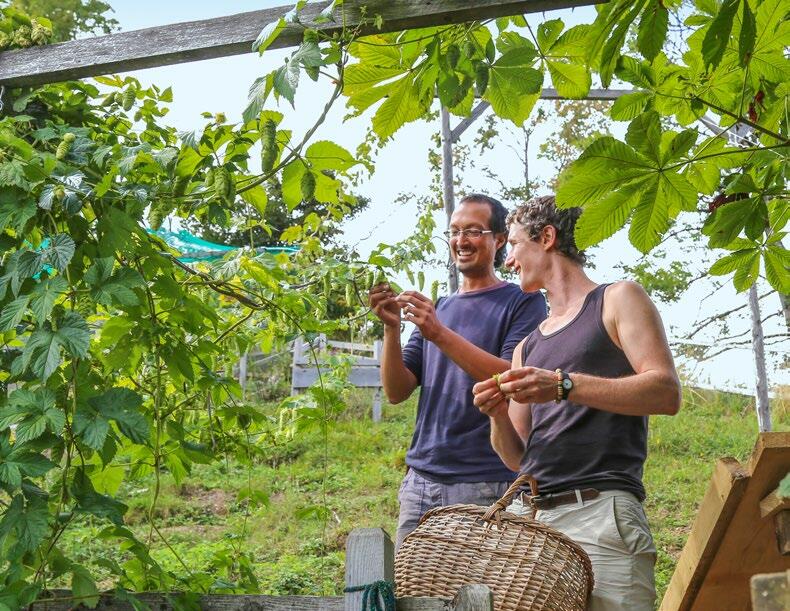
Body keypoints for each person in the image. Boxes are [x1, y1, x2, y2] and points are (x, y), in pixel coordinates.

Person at [472, 195, 681, 611]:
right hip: (533, 523)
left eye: (514, 244)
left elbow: (665, 392)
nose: (508, 260)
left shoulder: (618, 299)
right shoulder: (527, 347)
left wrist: (563, 385)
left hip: (602, 515)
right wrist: (496, 415)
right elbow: (517, 458)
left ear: (547, 237)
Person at [369, 194, 547, 550]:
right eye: (454, 231)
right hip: (421, 480)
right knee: (411, 584)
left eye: (474, 231)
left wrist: (438, 332)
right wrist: (391, 329)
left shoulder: (523, 302)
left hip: (487, 481)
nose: (461, 241)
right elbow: (397, 390)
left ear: (500, 240)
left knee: (482, 585)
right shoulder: (441, 308)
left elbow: (513, 378)